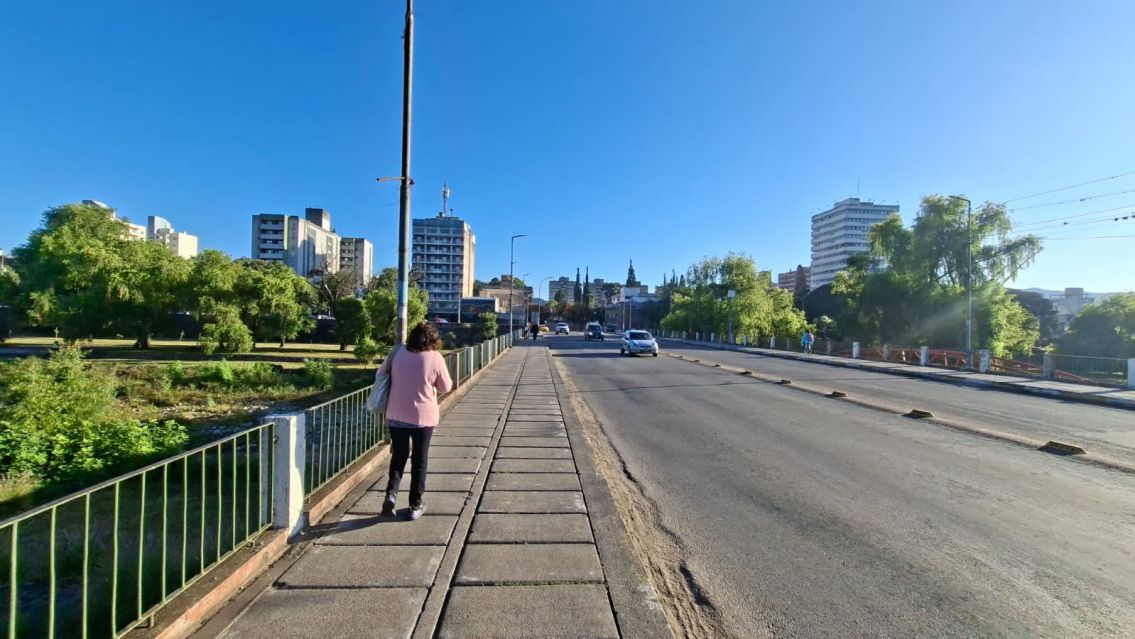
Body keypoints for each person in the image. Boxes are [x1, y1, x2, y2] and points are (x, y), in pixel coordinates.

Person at [379, 321, 453, 520]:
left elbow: (380, 374)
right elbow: (446, 386)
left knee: (399, 456)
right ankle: (415, 504)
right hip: (423, 417)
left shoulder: (396, 353)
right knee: (419, 460)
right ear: (433, 339)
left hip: (395, 415)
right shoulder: (435, 358)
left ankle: (391, 495)